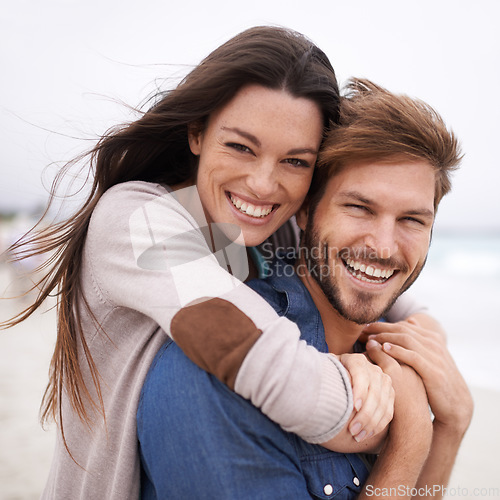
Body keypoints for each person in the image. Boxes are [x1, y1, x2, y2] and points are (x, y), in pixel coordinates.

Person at [2, 27, 424, 499]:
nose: (263, 185)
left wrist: (393, 352)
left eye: (295, 161)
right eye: (241, 147)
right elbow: (252, 354)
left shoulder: (270, 230)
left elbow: (390, 307)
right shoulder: (139, 222)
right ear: (197, 132)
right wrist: (402, 419)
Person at [138, 79, 473, 499]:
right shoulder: (220, 376)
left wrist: (450, 427)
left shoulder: (392, 348)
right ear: (305, 210)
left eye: (412, 220)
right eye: (359, 208)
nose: (384, 247)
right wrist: (411, 441)